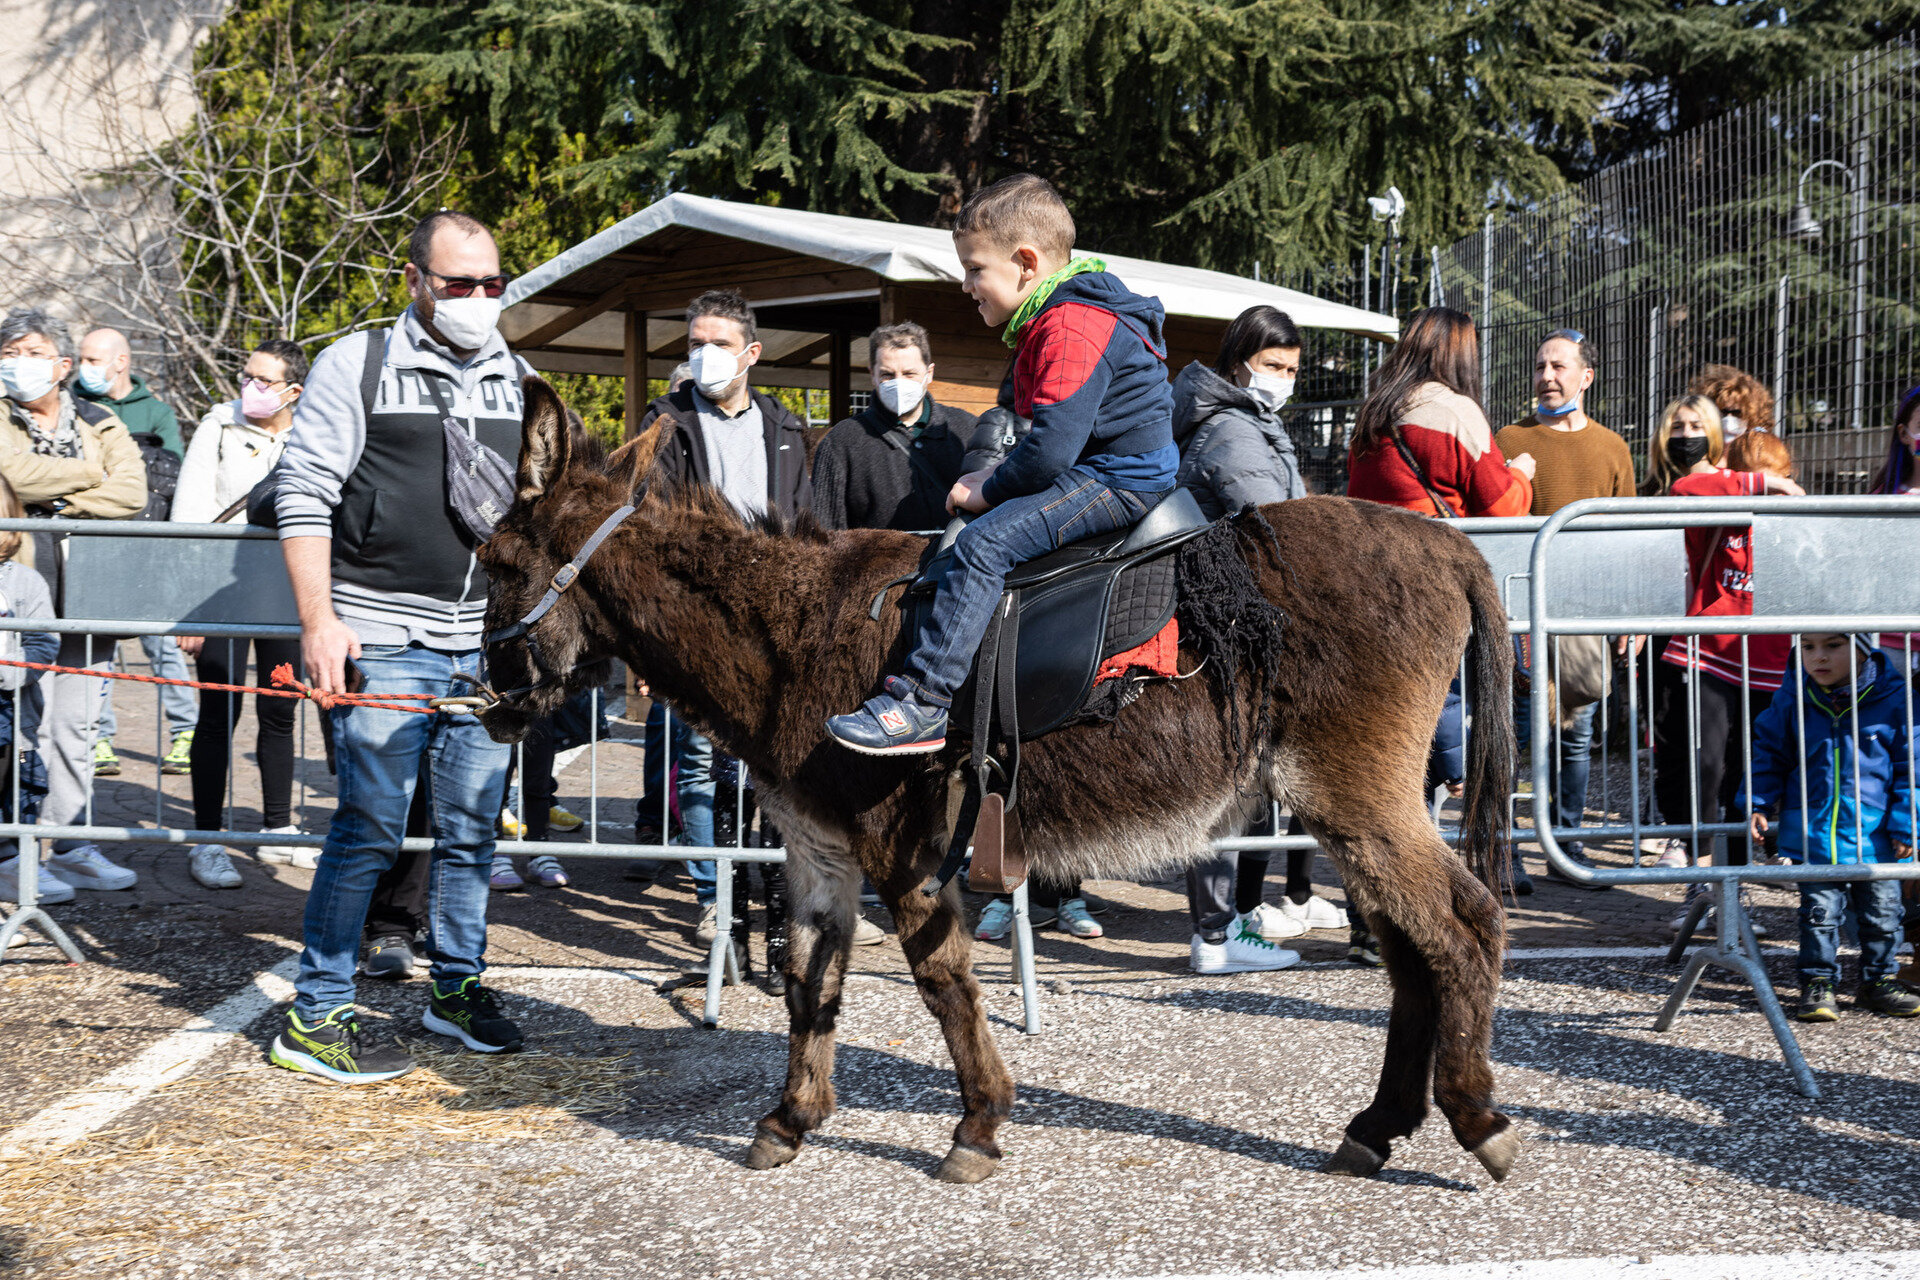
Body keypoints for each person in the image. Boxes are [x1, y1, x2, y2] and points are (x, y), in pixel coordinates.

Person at [263, 210, 525, 1084]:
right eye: (459, 284)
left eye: (492, 284)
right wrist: (319, 621)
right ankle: (319, 1011)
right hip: (380, 636)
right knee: (371, 828)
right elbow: (303, 492)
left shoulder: (516, 376)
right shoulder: (358, 364)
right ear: (415, 281)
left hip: (482, 648)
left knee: (471, 833)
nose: (478, 300)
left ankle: (456, 987)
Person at [825, 173, 1177, 755]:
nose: (966, 285)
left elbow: (1049, 455)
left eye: (974, 268)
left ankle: (922, 703)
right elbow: (1014, 413)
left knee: (984, 545)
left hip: (1120, 477)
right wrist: (982, 468)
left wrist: (983, 493)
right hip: (1103, 465)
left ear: (1025, 262)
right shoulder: (1048, 318)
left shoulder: (1072, 327)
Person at [630, 290, 814, 947]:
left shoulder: (787, 430)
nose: (704, 355)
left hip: (773, 630)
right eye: (695, 343)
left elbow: (805, 530)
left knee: (777, 767)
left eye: (719, 344)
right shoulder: (666, 423)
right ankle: (719, 899)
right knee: (699, 764)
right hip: (696, 626)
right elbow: (646, 536)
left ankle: (780, 899)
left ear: (752, 354)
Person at [1171, 305, 1342, 969]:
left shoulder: (1243, 421)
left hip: (1232, 617)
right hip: (1229, 621)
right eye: (1273, 365)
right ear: (1240, 360)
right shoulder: (1233, 432)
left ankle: (1227, 926)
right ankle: (1214, 935)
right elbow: (1281, 527)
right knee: (1223, 784)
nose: (1284, 379)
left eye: (1292, 369)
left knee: (1234, 784)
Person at [0, 307, 148, 896]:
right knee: (22, 725)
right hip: (23, 596)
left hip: (91, 592)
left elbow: (132, 490)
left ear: (61, 364)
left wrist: (64, 503)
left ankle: (71, 842)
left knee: (78, 726)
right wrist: (89, 475)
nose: (17, 365)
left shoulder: (100, 419)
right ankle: (17, 850)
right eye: (8, 354)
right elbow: (11, 474)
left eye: (30, 352)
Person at [169, 339, 312, 889]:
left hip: (284, 594)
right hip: (222, 596)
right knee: (218, 713)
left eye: (262, 379)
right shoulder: (218, 426)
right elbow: (190, 515)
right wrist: (191, 610)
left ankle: (278, 828)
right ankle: (207, 840)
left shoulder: (313, 435)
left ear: (293, 391)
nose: (248, 386)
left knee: (280, 711)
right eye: (245, 375)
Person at [1496, 328, 1635, 887]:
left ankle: (1566, 844)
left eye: (1558, 366)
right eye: (1539, 366)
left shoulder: (1612, 447)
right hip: (1518, 608)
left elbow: (1629, 536)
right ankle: (1505, 851)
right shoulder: (1508, 439)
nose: (1547, 376)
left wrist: (1630, 613)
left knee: (1576, 732)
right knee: (1507, 731)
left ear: (1587, 376)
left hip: (1584, 611)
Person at [1652, 428, 1805, 936]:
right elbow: (1682, 491)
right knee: (1705, 769)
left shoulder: (1792, 525)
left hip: (1769, 664)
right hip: (1710, 656)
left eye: (1778, 475)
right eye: (1759, 474)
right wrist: (1753, 485)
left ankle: (1734, 894)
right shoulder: (1719, 504)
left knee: (1746, 783)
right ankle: (1700, 884)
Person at [1742, 633, 1918, 1022]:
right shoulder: (1792, 699)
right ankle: (1818, 983)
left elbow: (1913, 768)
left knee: (1884, 915)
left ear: (1862, 650)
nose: (1818, 657)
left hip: (1877, 836)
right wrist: (1756, 802)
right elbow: (1768, 753)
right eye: (1808, 647)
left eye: (1833, 646)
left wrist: (1907, 822)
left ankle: (1879, 981)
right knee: (1818, 914)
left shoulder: (1896, 700)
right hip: (1814, 832)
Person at [74, 327, 195, 776]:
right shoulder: (73, 406)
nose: (83, 366)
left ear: (120, 362)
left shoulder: (156, 412)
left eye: (92, 358)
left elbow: (172, 473)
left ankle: (185, 729)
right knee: (95, 645)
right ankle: (100, 736)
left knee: (159, 643)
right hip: (93, 543)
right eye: (81, 357)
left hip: (147, 544)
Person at [812, 321, 977, 532]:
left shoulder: (968, 429)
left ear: (929, 373)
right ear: (872, 374)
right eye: (887, 375)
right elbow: (825, 534)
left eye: (909, 374)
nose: (899, 383)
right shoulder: (840, 443)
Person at [0, 475, 60, 904]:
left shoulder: (25, 583)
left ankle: (13, 870)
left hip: (10, 713)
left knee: (15, 794)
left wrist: (14, 672)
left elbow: (43, 642)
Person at [1639, 392, 1725, 497]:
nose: (1686, 434)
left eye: (1696, 426)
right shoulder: (1653, 489)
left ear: (1712, 432)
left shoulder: (1729, 484)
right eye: (1677, 427)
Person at [1686, 364, 1773, 443]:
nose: (1728, 419)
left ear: (1751, 416)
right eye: (1722, 412)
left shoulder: (1760, 451)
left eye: (1737, 413)